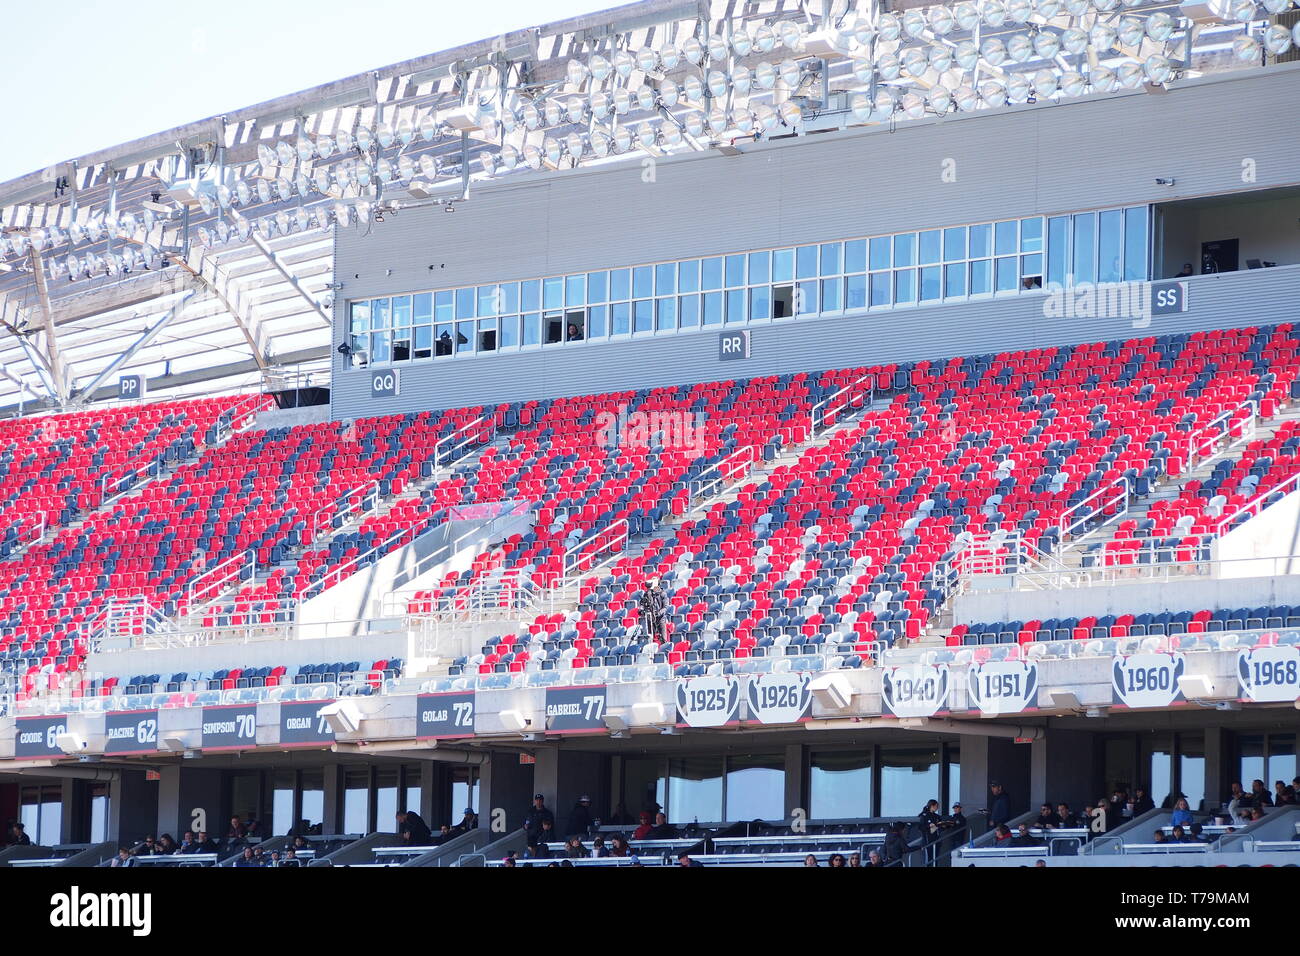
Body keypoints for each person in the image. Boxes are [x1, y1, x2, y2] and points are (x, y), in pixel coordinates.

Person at [638, 576, 669, 645]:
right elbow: (643, 603)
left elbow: (665, 607)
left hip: (660, 619)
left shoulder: (662, 593)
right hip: (650, 618)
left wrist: (658, 613)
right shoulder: (648, 593)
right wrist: (641, 609)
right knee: (650, 638)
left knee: (663, 639)